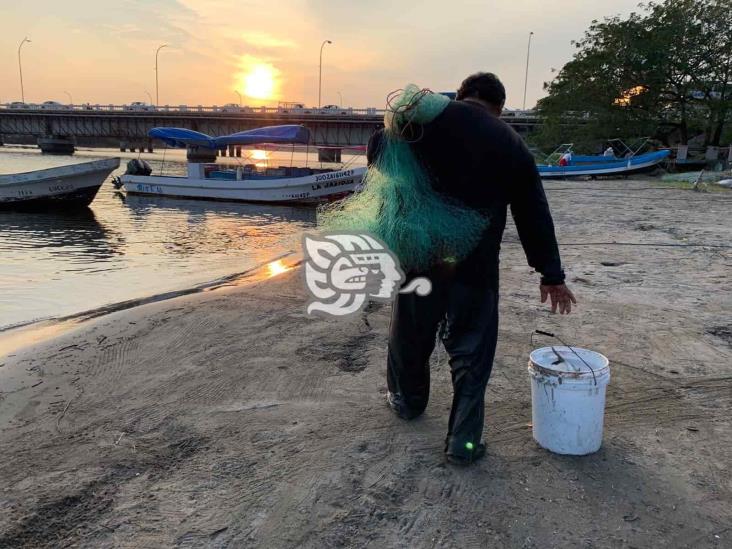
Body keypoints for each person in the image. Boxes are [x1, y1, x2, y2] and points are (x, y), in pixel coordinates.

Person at [367, 72, 576, 465]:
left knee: (409, 337)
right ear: (498, 107)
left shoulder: (423, 120)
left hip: (421, 258)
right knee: (471, 354)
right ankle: (462, 444)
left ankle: (408, 403)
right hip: (476, 267)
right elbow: (533, 212)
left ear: (461, 95)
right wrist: (551, 274)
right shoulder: (510, 142)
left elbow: (378, 151)